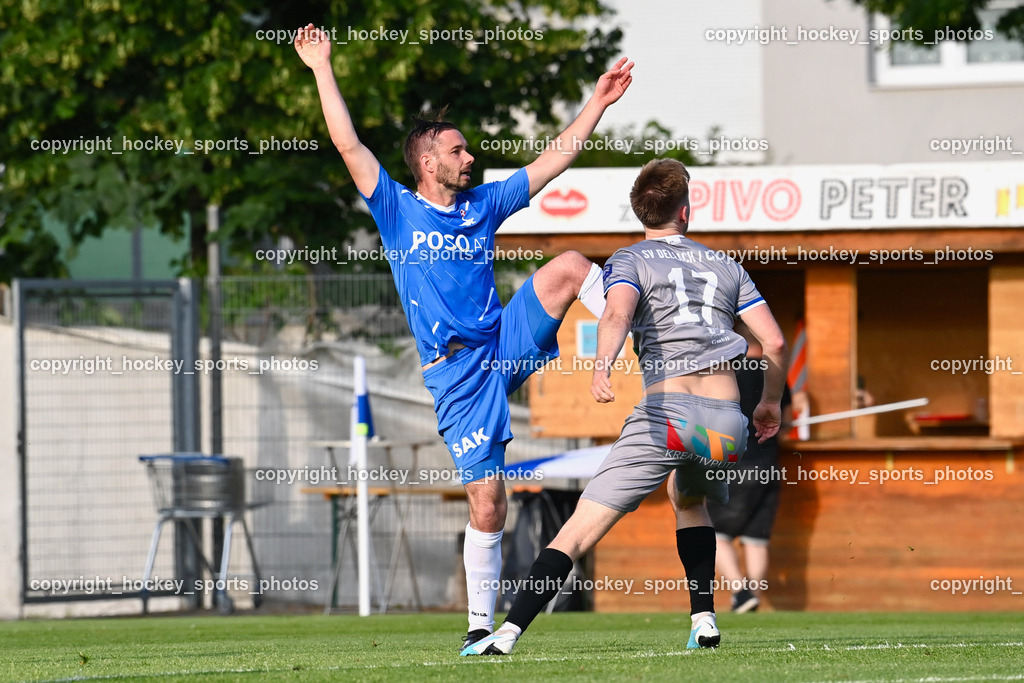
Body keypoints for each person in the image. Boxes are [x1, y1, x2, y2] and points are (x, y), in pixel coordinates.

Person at [294, 25, 633, 648]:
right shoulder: (396, 208)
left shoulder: (483, 205)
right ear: (429, 163)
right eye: (458, 150)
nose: (469, 157)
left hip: (501, 341)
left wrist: (598, 102)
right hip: (457, 375)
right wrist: (321, 66)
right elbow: (347, 144)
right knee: (489, 500)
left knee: (570, 265)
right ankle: (479, 627)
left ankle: (639, 335)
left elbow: (553, 160)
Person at [462, 158, 787, 656]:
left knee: (578, 530)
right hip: (726, 423)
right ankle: (704, 620)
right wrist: (768, 403)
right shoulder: (726, 266)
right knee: (689, 500)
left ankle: (505, 635)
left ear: (640, 212)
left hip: (668, 413)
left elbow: (616, 314)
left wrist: (602, 366)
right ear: (685, 212)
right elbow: (775, 343)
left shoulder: (631, 260)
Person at [706, 323, 792, 614]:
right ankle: (751, 597)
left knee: (714, 533)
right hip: (769, 466)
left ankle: (741, 594)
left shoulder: (725, 372)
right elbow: (785, 422)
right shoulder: (775, 374)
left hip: (733, 465)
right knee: (757, 539)